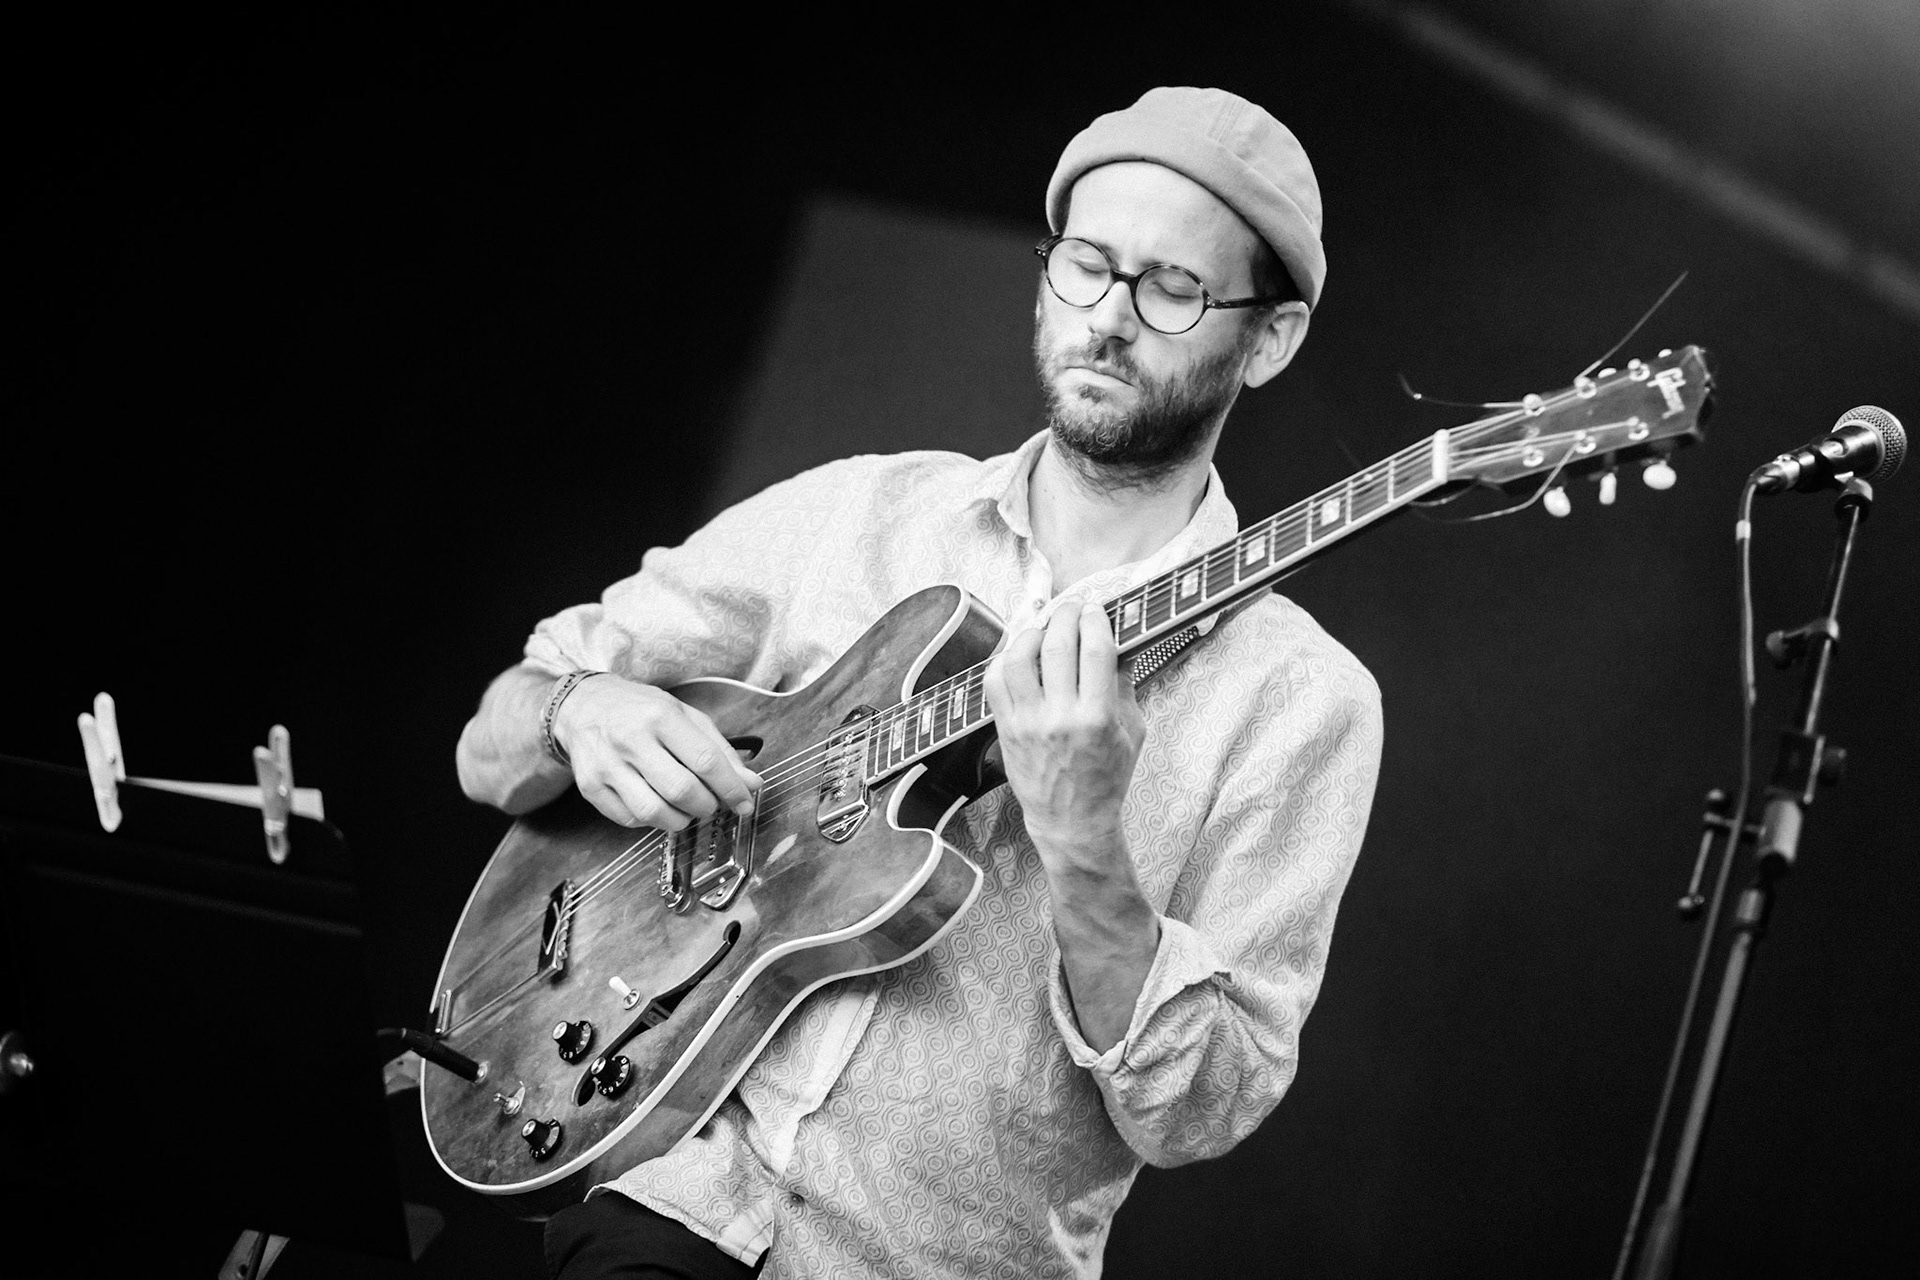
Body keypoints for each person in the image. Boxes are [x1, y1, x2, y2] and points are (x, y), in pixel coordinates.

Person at [456, 86, 1383, 1280]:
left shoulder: (1302, 701)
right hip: (658, 1201)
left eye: (1173, 289)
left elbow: (1200, 1108)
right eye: (1086, 266)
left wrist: (1088, 843)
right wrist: (574, 708)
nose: (1108, 320)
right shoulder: (860, 511)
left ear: (1271, 337)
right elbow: (490, 748)